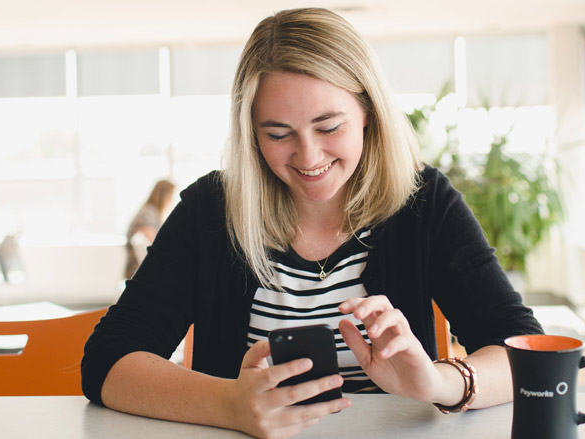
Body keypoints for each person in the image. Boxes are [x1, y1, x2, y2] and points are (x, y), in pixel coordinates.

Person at [82, 8, 542, 438]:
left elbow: (528, 355)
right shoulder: (211, 209)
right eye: (277, 134)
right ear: (251, 132)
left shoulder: (424, 203)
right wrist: (229, 404)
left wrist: (439, 383)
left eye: (328, 127)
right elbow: (107, 361)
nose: (308, 157)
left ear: (368, 113)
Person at [124, 179, 176, 278]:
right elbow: (155, 243)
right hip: (138, 271)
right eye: (170, 196)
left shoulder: (150, 211)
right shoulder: (148, 213)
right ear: (163, 195)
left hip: (140, 269)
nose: (171, 200)